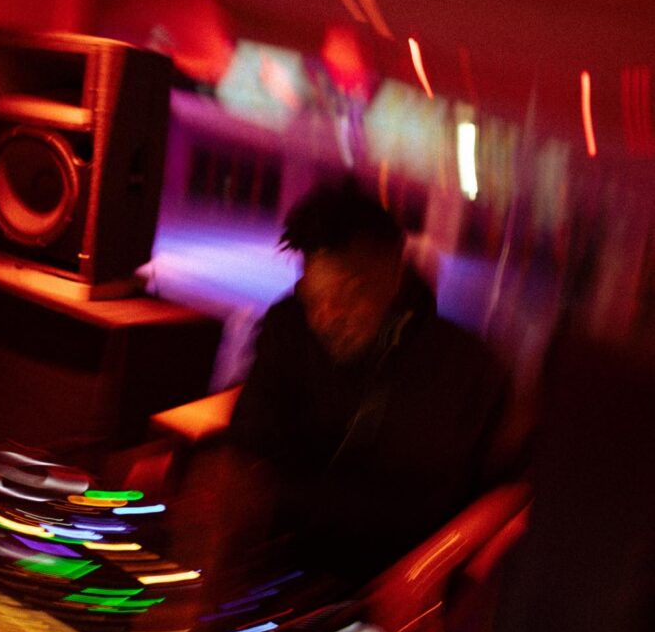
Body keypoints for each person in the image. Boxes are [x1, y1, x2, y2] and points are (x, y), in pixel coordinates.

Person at [174, 176, 522, 595]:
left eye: (347, 296)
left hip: (401, 590)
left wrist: (432, 564)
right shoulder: (288, 327)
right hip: (286, 576)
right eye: (312, 298)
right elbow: (249, 442)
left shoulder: (466, 369)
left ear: (393, 274)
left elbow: (513, 489)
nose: (325, 318)